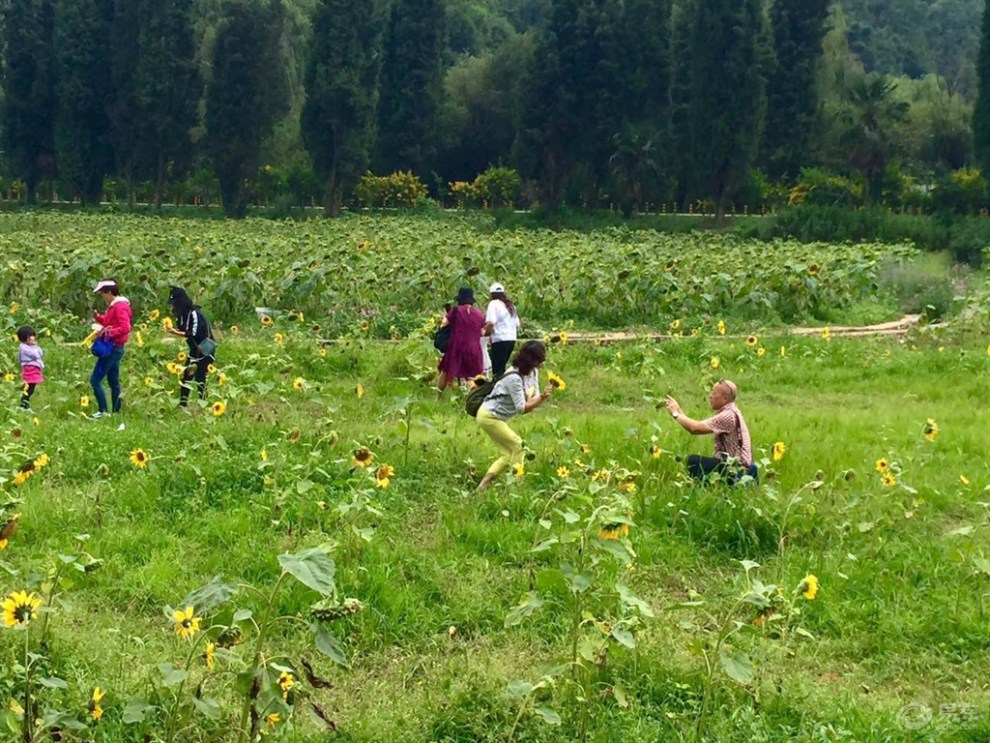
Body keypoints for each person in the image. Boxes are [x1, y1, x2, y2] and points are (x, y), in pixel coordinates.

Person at [476, 340, 553, 492]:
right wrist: (542, 398)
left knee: (508, 454)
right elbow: (522, 408)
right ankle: (516, 485)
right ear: (531, 359)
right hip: (489, 416)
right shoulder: (514, 378)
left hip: (497, 417)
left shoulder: (533, 372)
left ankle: (482, 486)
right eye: (539, 359)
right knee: (519, 446)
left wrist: (539, 397)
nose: (541, 363)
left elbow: (534, 395)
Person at [664, 378, 758, 483]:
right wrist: (678, 410)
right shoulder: (732, 411)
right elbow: (695, 425)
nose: (710, 396)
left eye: (714, 393)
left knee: (694, 461)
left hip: (737, 471)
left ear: (725, 398)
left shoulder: (728, 416)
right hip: (738, 467)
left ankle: (705, 489)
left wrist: (675, 413)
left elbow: (695, 428)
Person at [165, 286, 216, 407]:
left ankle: (203, 404)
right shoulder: (182, 315)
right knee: (186, 377)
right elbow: (184, 328)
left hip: (205, 349)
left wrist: (174, 332)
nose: (173, 307)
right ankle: (183, 404)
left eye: (175, 304)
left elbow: (193, 333)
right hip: (195, 350)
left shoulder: (194, 313)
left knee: (200, 378)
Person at [90, 278, 132, 419]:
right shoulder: (115, 305)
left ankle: (103, 411)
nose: (102, 297)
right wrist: (99, 318)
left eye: (102, 293)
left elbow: (125, 327)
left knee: (95, 380)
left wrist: (108, 332)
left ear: (109, 292)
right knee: (113, 381)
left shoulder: (120, 306)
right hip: (115, 346)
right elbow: (110, 322)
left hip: (112, 347)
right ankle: (116, 410)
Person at [436, 287, 486, 398]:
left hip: (457, 347)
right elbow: (482, 332)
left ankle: (438, 396)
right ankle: (471, 397)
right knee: (472, 375)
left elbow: (444, 324)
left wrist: (445, 317)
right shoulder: (479, 314)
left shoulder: (456, 311)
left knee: (446, 371)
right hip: (474, 348)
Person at [483, 282, 521, 377]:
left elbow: (491, 322)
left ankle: (498, 388)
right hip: (511, 339)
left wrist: (485, 332)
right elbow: (517, 324)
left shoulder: (493, 304)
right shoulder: (510, 305)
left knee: (497, 369)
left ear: (491, 294)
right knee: (502, 366)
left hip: (499, 339)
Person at [16, 326, 44, 412]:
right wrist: (35, 346)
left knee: (31, 388)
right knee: (28, 388)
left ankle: (25, 404)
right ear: (25, 338)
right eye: (30, 336)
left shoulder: (30, 346)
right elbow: (36, 354)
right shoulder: (24, 348)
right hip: (29, 370)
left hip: (34, 370)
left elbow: (40, 353)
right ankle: (24, 405)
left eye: (33, 335)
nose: (33, 338)